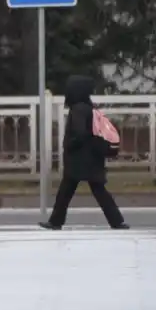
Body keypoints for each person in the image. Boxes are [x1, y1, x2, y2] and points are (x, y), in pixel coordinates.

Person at [39, 75, 128, 230]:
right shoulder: (88, 107)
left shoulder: (78, 109)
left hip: (80, 159)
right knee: (96, 191)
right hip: (90, 157)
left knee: (67, 192)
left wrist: (69, 145)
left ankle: (55, 222)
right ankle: (116, 221)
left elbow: (80, 133)